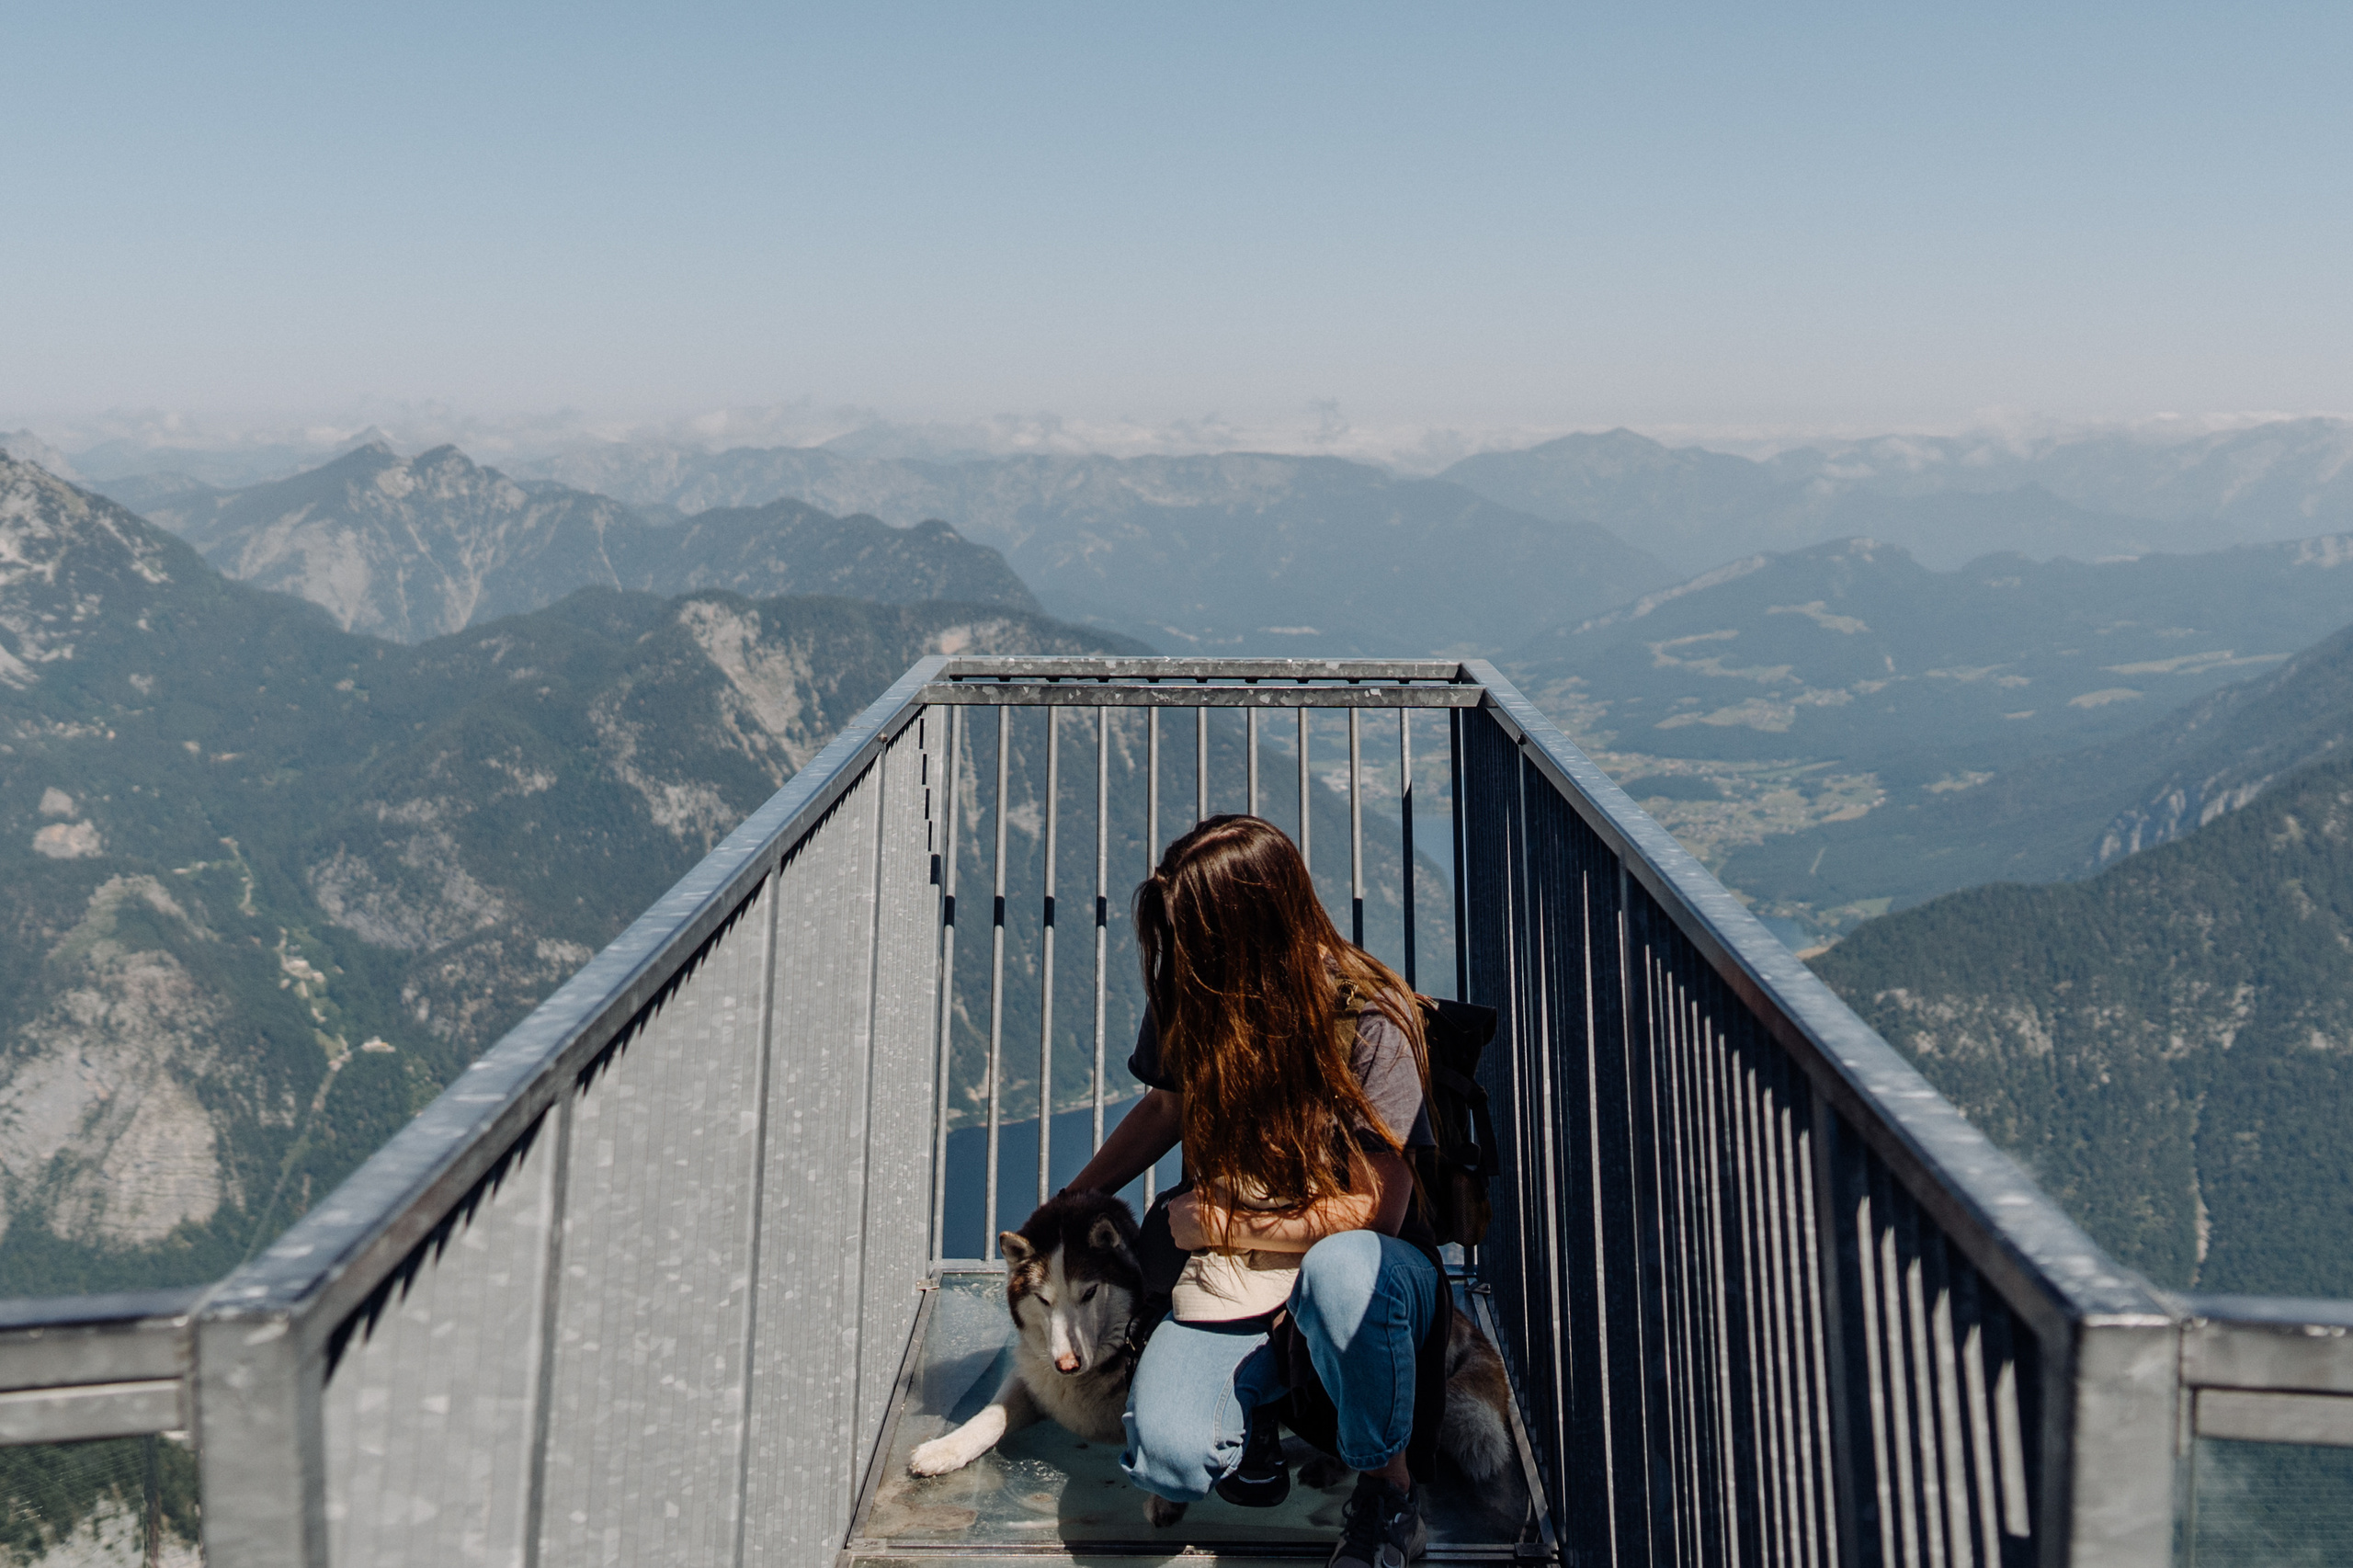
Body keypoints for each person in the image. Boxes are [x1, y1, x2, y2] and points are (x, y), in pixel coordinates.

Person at [1060, 814, 1444, 1568]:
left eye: (1194, 936)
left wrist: (1226, 1224)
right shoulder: (1196, 995)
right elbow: (1166, 1106)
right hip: (1235, 1278)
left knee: (1339, 1277)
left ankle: (1389, 1492)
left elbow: (1377, 1211)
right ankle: (1263, 1399)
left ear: (1250, 929)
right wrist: (1073, 1201)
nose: (1180, 956)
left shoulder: (1369, 1017)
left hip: (1367, 1270)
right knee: (1169, 1459)